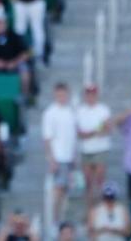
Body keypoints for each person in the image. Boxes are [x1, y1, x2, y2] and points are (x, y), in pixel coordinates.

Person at [42, 83, 77, 227]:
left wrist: (74, 156)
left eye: (64, 94)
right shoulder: (50, 113)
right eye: (59, 95)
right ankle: (54, 221)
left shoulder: (70, 111)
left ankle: (61, 219)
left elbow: (73, 136)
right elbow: (47, 138)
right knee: (58, 189)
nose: (62, 97)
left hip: (69, 157)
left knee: (65, 190)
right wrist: (51, 159)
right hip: (59, 157)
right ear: (55, 95)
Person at [76, 83, 112, 203]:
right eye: (88, 94)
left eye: (93, 94)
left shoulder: (103, 109)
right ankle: (90, 209)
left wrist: (90, 133)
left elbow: (106, 129)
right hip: (86, 149)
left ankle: (100, 206)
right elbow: (79, 132)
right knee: (88, 182)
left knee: (99, 179)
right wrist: (95, 132)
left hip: (100, 148)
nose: (90, 97)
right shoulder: (80, 110)